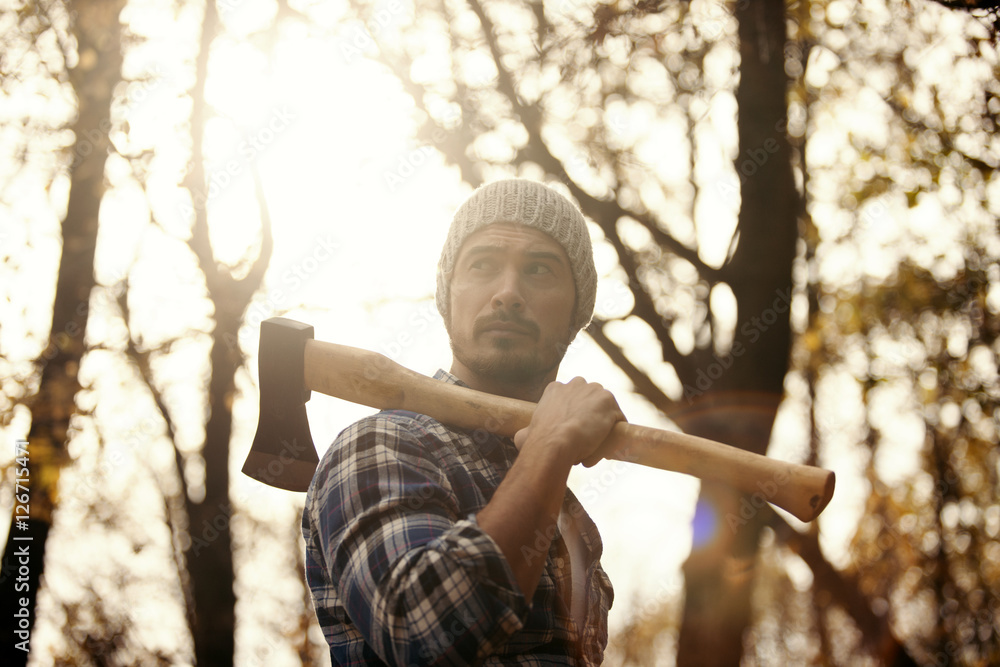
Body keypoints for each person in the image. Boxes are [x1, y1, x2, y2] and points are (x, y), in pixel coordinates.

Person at [302, 179, 625, 666]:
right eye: (482, 265)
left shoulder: (572, 518)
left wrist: (546, 454)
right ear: (448, 295)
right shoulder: (381, 444)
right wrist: (552, 446)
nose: (509, 293)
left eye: (540, 269)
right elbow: (421, 629)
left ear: (578, 309)